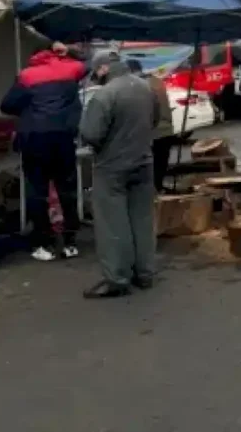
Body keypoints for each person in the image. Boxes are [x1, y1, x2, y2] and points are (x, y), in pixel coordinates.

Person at [80, 51, 160, 299]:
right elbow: (155, 121)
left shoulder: (106, 94)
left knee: (113, 222)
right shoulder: (146, 88)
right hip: (144, 162)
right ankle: (145, 273)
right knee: (142, 219)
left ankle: (117, 278)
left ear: (103, 69)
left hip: (112, 167)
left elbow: (91, 133)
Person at [0, 41, 85, 262]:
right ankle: (70, 243)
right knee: (67, 190)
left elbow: (6, 105)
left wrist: (28, 105)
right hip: (64, 139)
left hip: (34, 139)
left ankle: (42, 244)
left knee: (38, 192)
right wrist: (71, 52)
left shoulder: (27, 75)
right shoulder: (71, 70)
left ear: (34, 56)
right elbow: (90, 64)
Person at [126, 59, 174, 193]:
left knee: (149, 166)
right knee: (160, 164)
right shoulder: (156, 81)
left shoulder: (139, 86)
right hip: (166, 130)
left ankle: (152, 194)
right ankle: (158, 188)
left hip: (152, 132)